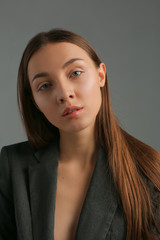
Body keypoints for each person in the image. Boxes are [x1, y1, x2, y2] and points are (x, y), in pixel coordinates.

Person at [0, 28, 159, 240]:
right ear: (34, 102)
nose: (64, 94)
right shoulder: (13, 167)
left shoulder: (147, 169)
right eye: (45, 86)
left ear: (101, 75)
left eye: (75, 73)